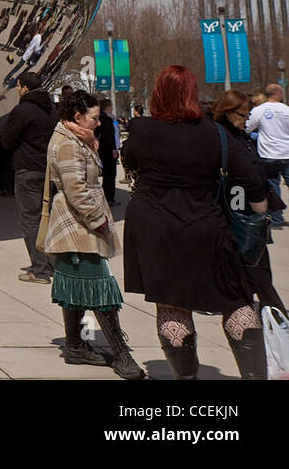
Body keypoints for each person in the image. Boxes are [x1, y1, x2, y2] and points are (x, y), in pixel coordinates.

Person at [122, 66, 269, 379]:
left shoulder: (142, 128)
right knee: (237, 299)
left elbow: (129, 162)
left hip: (153, 224)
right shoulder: (215, 132)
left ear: (158, 93)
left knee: (172, 304)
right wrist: (258, 214)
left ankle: (186, 377)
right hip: (206, 224)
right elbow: (251, 181)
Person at [42, 90, 145, 379]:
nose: (98, 123)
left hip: (78, 223)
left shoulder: (77, 138)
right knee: (100, 287)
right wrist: (98, 220)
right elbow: (75, 189)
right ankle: (121, 354)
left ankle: (75, 345)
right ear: (77, 116)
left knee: (75, 286)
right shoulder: (67, 143)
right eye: (94, 118)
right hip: (78, 224)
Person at [214, 90, 284, 313]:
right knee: (255, 260)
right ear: (228, 112)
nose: (247, 120)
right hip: (240, 206)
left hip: (249, 204)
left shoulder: (240, 136)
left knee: (258, 259)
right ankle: (274, 308)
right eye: (243, 115)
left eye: (248, 115)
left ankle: (270, 305)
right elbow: (241, 174)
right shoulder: (224, 136)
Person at [1, 72, 58, 283]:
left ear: (24, 88)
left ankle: (40, 270)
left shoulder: (23, 110)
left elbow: (6, 140)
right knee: (48, 218)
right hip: (48, 170)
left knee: (31, 221)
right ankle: (51, 264)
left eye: (18, 86)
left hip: (28, 170)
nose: (17, 89)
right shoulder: (52, 110)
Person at [248, 84, 289, 228]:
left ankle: (276, 220)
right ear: (279, 94)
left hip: (268, 153)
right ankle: (277, 219)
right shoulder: (287, 110)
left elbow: (248, 127)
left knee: (273, 188)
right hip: (287, 152)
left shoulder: (259, 110)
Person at [96, 98, 120, 206]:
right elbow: (110, 137)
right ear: (108, 107)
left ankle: (105, 197)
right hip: (108, 151)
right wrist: (114, 149)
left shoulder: (97, 119)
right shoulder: (107, 120)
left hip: (100, 150)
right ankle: (109, 198)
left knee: (105, 175)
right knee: (110, 175)